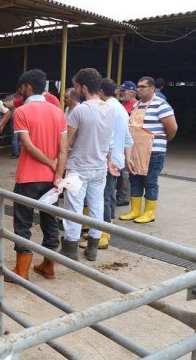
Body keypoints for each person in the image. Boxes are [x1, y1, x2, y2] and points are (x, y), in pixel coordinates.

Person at [4, 69, 68, 283]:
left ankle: (22, 270)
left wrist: (49, 162)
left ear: (28, 87)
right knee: (50, 220)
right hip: (52, 179)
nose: (19, 92)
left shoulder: (22, 111)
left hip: (29, 177)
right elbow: (64, 148)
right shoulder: (57, 111)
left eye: (20, 88)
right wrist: (57, 174)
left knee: (23, 222)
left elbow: (28, 146)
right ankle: (48, 267)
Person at [58, 68, 114, 262]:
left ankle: (71, 248)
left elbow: (67, 141)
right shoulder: (110, 108)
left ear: (83, 87)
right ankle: (92, 248)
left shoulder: (79, 110)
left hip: (79, 167)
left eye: (75, 87)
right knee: (97, 206)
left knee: (73, 207)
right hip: (99, 167)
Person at [80, 78, 133, 250]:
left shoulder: (107, 108)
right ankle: (102, 230)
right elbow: (127, 138)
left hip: (106, 159)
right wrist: (126, 158)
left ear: (101, 92)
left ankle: (103, 234)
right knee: (108, 196)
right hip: (116, 159)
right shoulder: (121, 109)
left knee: (103, 198)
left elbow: (107, 137)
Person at [119, 76, 177, 223]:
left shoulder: (161, 105)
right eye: (138, 86)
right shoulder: (136, 105)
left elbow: (172, 128)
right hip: (136, 150)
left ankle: (149, 212)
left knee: (150, 181)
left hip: (154, 151)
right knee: (135, 180)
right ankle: (135, 210)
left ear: (151, 88)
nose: (138, 89)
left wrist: (160, 141)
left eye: (142, 87)